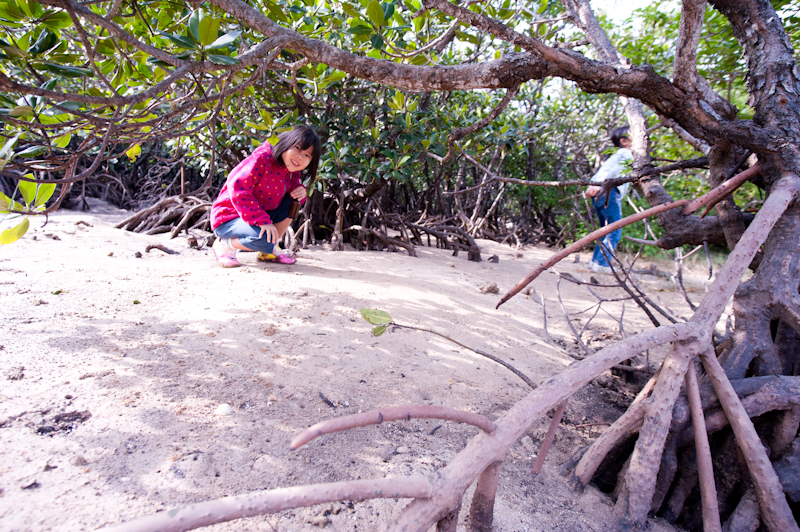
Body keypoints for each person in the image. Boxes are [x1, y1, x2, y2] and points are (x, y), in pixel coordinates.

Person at [210, 126, 322, 268]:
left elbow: (290, 192)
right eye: (298, 148)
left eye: (307, 155)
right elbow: (238, 189)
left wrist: (300, 191)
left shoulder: (292, 172)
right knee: (265, 238)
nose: (300, 156)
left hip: (257, 219)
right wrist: (262, 221)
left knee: (294, 201)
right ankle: (225, 244)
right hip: (229, 218)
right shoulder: (262, 159)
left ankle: (267, 251)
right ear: (285, 143)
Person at [584, 126, 633, 274]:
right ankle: (602, 264)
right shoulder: (626, 153)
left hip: (600, 190)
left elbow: (606, 170)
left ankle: (595, 262)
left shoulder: (617, 155)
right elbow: (610, 172)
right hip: (608, 191)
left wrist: (593, 186)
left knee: (605, 230)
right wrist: (600, 186)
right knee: (614, 229)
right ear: (624, 141)